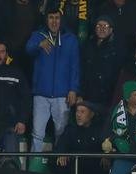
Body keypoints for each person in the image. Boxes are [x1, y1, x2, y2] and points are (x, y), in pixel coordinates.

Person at [26, 8, 80, 153]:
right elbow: (28, 49)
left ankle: (59, 163)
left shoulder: (71, 39)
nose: (54, 21)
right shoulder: (38, 35)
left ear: (61, 20)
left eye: (57, 18)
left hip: (62, 95)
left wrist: (73, 89)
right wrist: (39, 45)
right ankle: (34, 163)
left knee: (61, 133)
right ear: (46, 20)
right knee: (37, 133)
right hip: (41, 94)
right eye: (51, 18)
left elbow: (75, 67)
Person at [54, 100, 107, 174]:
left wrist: (106, 156)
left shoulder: (99, 129)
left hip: (94, 167)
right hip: (74, 166)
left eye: (82, 112)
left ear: (91, 114)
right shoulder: (70, 129)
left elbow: (105, 145)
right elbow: (62, 144)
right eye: (77, 111)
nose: (78, 115)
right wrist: (62, 153)